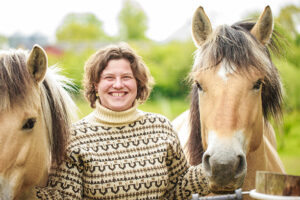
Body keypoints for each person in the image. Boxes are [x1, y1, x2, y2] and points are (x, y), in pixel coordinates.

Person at [36, 42, 209, 199]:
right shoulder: (74, 137)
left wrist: (215, 167)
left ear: (138, 83)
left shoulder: (161, 127)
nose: (118, 85)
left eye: (126, 77)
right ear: (96, 85)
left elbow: (179, 188)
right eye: (109, 78)